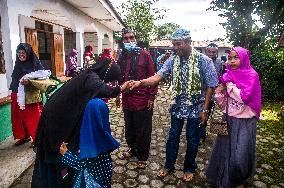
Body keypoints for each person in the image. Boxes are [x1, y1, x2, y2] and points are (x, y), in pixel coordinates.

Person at [129, 28, 218, 181]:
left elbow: (211, 86)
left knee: (192, 138)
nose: (175, 47)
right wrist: (140, 83)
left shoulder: (204, 61)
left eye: (178, 44)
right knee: (172, 137)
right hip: (177, 106)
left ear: (189, 43)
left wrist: (205, 109)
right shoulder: (172, 60)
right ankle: (169, 165)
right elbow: (158, 76)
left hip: (196, 107)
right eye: (173, 44)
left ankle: (189, 167)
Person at [31, 58, 131, 188]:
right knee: (56, 150)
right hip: (55, 119)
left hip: (60, 114)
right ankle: (56, 180)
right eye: (110, 78)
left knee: (63, 148)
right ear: (107, 73)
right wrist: (122, 88)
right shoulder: (91, 77)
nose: (108, 82)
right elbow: (106, 91)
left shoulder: (89, 75)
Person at [206, 47, 261, 188]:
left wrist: (229, 85)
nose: (232, 61)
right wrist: (219, 93)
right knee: (224, 151)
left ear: (244, 58)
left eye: (236, 57)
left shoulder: (251, 75)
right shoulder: (228, 74)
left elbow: (244, 97)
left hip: (245, 121)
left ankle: (239, 179)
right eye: (230, 58)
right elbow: (223, 103)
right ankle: (227, 178)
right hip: (229, 119)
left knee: (240, 154)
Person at [116, 28, 158, 169]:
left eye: (131, 38)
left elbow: (153, 77)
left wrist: (152, 97)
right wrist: (117, 93)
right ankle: (133, 149)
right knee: (130, 128)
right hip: (127, 99)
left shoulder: (145, 55)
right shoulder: (122, 55)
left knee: (143, 130)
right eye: (126, 38)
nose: (129, 41)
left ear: (136, 39)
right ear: (123, 40)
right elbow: (119, 76)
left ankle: (142, 156)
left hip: (142, 99)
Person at [59, 98, 119, 188]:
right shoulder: (104, 136)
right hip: (104, 178)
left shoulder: (92, 144)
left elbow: (80, 165)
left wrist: (66, 154)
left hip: (92, 182)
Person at [9, 43, 44, 146]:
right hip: (17, 93)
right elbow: (15, 79)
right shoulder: (18, 64)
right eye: (19, 53)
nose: (21, 55)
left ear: (28, 53)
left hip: (30, 95)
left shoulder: (35, 64)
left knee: (33, 117)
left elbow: (43, 77)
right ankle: (24, 136)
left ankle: (37, 138)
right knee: (18, 118)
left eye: (23, 53)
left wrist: (30, 82)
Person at [200, 42, 224, 142]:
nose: (211, 54)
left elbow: (220, 77)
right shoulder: (201, 61)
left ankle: (202, 130)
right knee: (200, 111)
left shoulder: (219, 63)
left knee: (207, 112)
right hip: (201, 92)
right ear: (206, 52)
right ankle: (200, 133)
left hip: (212, 93)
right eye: (209, 52)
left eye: (213, 52)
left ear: (216, 53)